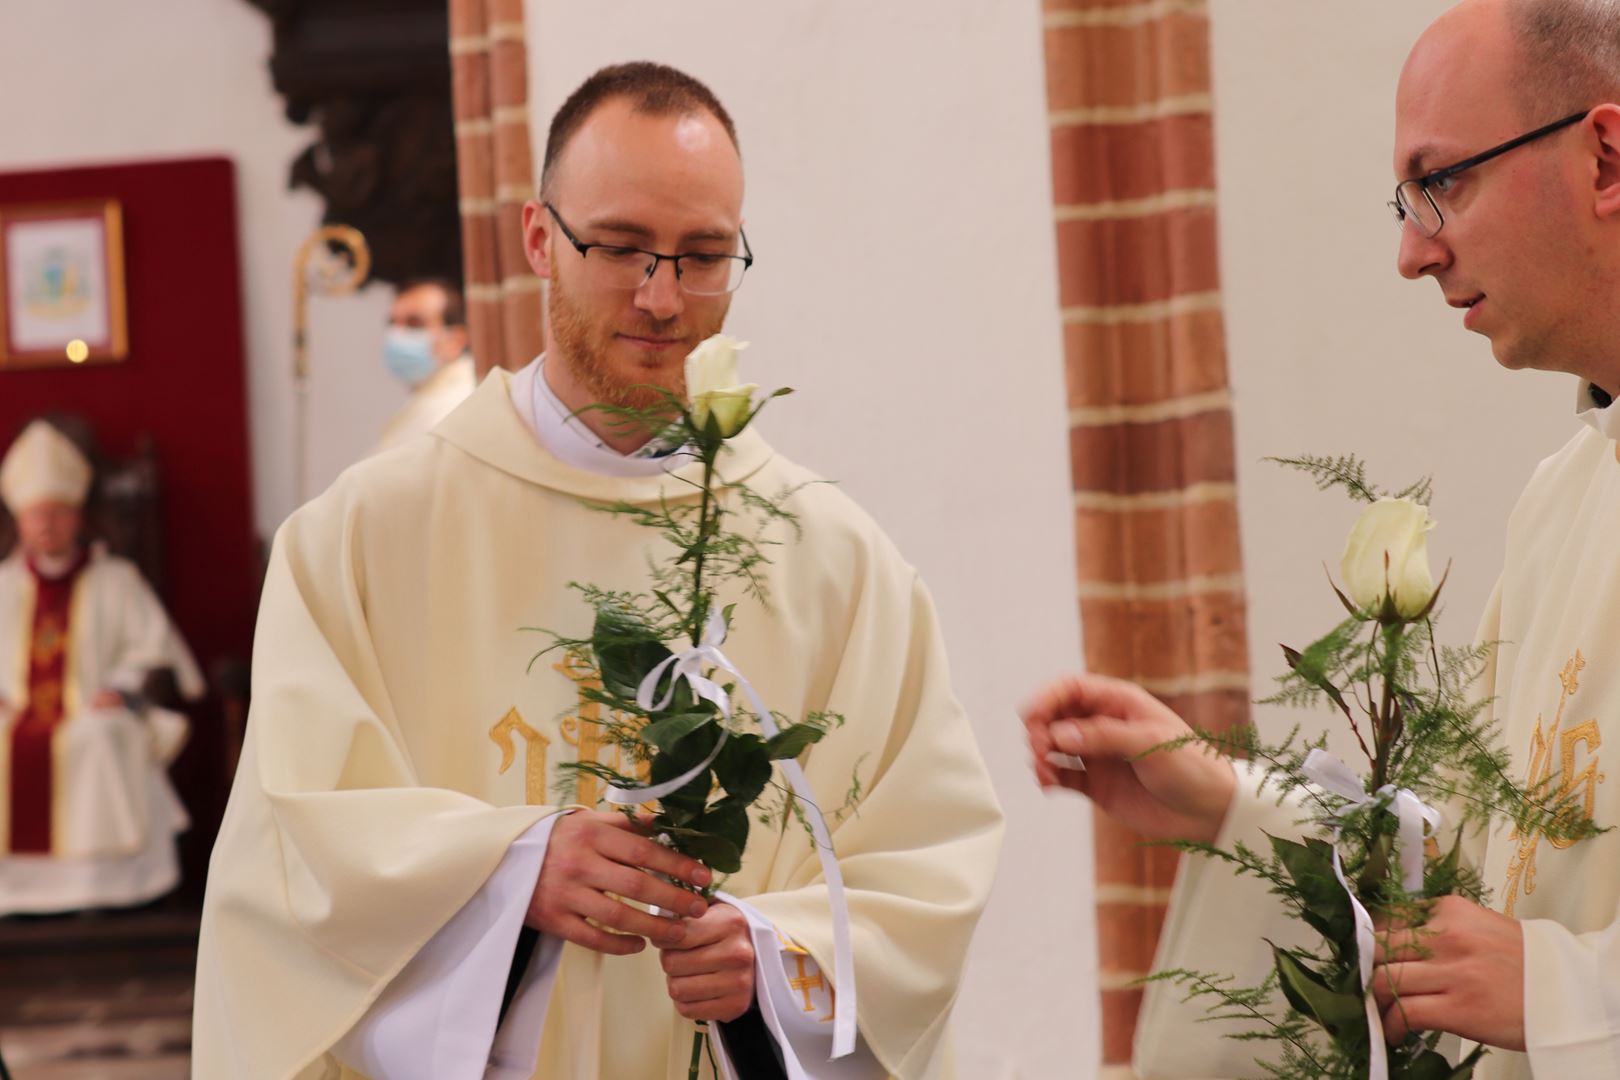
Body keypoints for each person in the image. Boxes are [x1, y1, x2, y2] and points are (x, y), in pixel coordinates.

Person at [194, 62, 1003, 1079]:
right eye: (620, 246)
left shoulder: (839, 562)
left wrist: (772, 958)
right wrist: (509, 874)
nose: (662, 297)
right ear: (538, 237)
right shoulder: (360, 539)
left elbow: (928, 862)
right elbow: (290, 862)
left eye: (704, 255)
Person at [1025, 1, 1620, 1076]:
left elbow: (1528, 960)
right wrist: (1231, 798)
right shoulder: (1565, 501)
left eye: (1442, 182)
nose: (1412, 251)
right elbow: (1493, 871)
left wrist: (1573, 995)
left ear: (1607, 158)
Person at [0, 419, 204, 914]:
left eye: (57, 513)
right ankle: (15, 897)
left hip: (97, 706)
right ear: (19, 521)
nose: (46, 524)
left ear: (77, 517)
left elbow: (153, 651)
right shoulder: (2, 585)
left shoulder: (116, 578)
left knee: (102, 735)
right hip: (15, 710)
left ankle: (101, 889)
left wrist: (123, 688)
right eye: (35, 515)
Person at [374, 277, 477, 452]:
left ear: (455, 340)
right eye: (392, 323)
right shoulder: (430, 395)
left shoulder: (458, 403)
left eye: (414, 324)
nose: (397, 334)